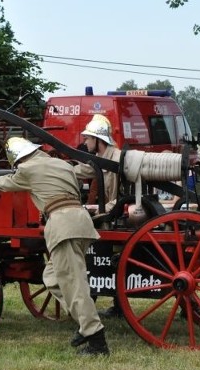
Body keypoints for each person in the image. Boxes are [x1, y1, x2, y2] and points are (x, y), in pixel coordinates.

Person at [0, 137, 109, 356]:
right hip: (81, 222)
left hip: (62, 224)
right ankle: (84, 320)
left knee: (74, 284)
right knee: (52, 277)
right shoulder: (63, 165)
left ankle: (96, 339)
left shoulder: (27, 169)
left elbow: (6, 184)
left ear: (17, 158)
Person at [72, 114, 123, 318]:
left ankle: (89, 299)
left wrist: (97, 210)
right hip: (112, 214)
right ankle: (104, 300)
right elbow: (82, 170)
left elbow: (121, 198)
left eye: (88, 138)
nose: (85, 142)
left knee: (89, 250)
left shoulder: (117, 159)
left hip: (116, 217)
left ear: (98, 140)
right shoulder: (104, 159)